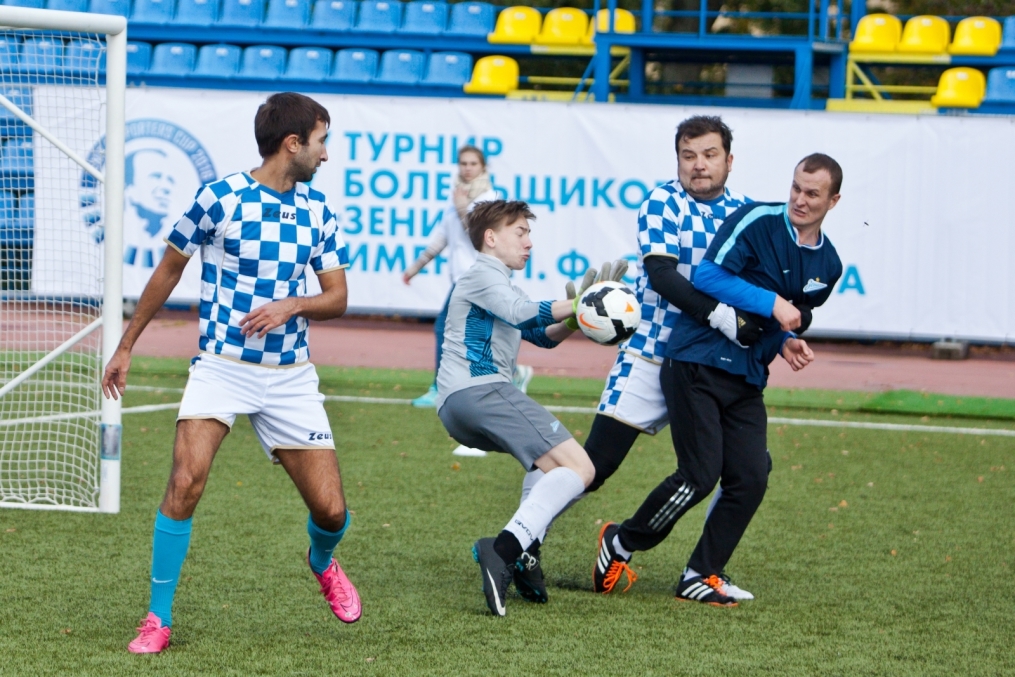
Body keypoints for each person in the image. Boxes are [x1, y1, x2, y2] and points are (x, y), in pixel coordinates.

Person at [101, 92, 360, 654]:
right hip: (220, 366)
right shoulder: (217, 199)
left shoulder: (318, 212)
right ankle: (157, 617)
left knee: (332, 511)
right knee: (184, 482)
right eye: (321, 142)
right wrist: (125, 346)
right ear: (293, 144)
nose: (325, 154)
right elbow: (168, 271)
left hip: (290, 376)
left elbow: (337, 296)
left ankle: (322, 562)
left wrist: (292, 305)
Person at [518, 116, 768, 599]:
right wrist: (720, 316)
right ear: (677, 160)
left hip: (712, 365)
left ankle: (701, 570)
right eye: (688, 155)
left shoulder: (746, 214)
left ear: (729, 161)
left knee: (746, 469)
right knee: (594, 464)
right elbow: (660, 274)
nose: (699, 166)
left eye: (710, 155)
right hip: (652, 356)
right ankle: (521, 538)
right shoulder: (662, 201)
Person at [594, 153, 844, 606]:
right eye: (795, 188)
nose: (799, 200)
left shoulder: (829, 266)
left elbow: (787, 319)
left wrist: (784, 340)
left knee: (751, 476)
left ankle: (699, 574)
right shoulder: (755, 219)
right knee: (699, 475)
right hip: (695, 362)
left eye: (812, 194)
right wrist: (772, 304)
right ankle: (621, 542)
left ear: (834, 200)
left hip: (747, 376)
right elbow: (707, 276)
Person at [434, 199, 619, 617]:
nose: (529, 242)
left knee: (550, 467)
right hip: (480, 392)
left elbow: (542, 335)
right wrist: (583, 303)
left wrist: (576, 319)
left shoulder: (499, 283)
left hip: (461, 405)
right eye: (521, 232)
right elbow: (522, 313)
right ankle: (504, 549)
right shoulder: (483, 273)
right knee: (582, 468)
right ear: (491, 238)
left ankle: (526, 553)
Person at [403, 146, 534, 418]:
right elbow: (442, 238)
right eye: (463, 162)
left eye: (473, 163)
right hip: (467, 278)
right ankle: (513, 373)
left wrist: (463, 209)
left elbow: (482, 237)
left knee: (444, 328)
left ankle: (440, 387)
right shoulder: (458, 198)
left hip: (480, 276)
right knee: (487, 333)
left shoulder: (491, 199)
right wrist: (415, 267)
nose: (467, 168)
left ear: (483, 167)